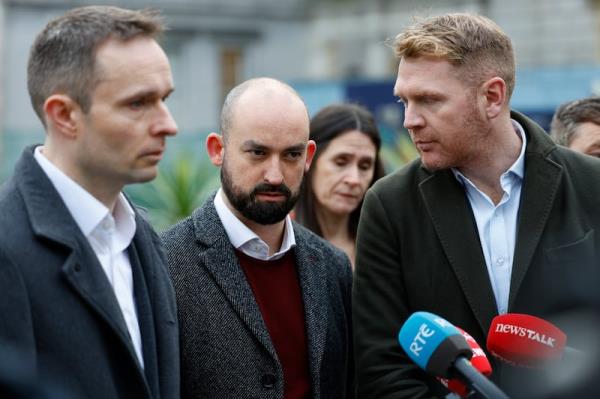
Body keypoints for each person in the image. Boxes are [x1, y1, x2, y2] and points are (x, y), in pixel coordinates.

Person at [352, 13, 600, 398]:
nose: (409, 120)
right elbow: (381, 368)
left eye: (429, 100)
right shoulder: (389, 207)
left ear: (492, 96)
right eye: (404, 100)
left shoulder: (591, 186)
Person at [0, 6, 179, 399]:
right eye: (138, 103)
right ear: (64, 114)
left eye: (164, 99)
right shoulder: (7, 248)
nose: (168, 124)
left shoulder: (142, 235)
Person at [161, 77, 353, 398]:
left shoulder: (333, 268)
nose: (275, 175)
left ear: (308, 157)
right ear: (217, 149)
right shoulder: (166, 264)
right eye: (257, 153)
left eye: (291, 155)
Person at [295, 103, 385, 268]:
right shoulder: (280, 239)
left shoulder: (385, 243)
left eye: (365, 166)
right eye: (341, 162)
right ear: (310, 160)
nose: (354, 179)